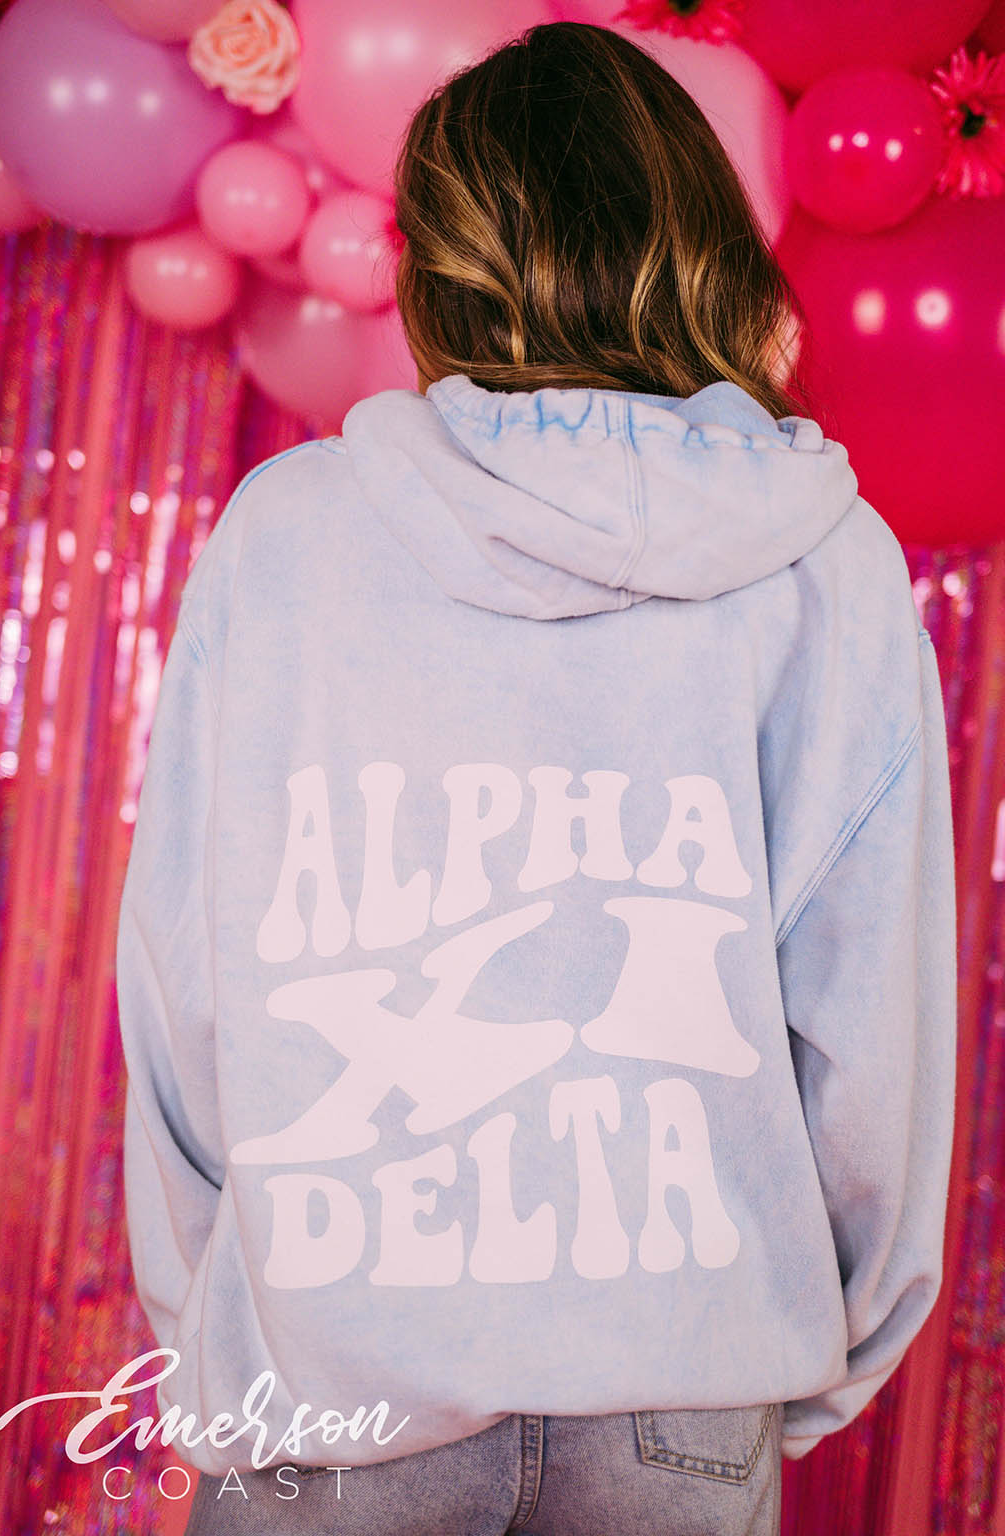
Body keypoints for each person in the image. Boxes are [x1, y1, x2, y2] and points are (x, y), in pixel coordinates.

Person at [114, 21, 957, 1536]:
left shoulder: (289, 537)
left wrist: (225, 1319)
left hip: (330, 1359)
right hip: (684, 1383)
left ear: (439, 262)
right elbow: (867, 1011)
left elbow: (190, 984)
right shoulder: (829, 564)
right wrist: (790, 1353)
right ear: (703, 236)